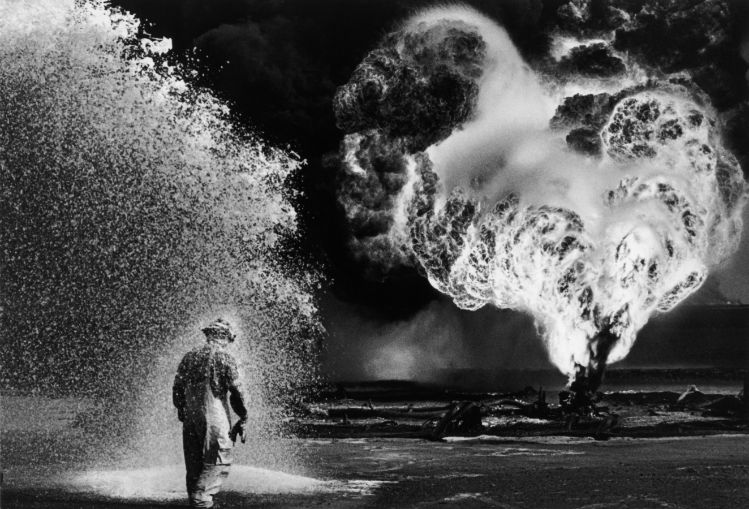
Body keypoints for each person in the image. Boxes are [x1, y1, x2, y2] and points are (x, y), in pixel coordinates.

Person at [173, 318, 248, 508]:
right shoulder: (224, 357)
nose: (230, 343)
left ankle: (197, 502)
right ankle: (202, 502)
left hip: (190, 419)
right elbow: (237, 392)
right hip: (215, 418)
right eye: (229, 339)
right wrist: (244, 416)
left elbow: (177, 389)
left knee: (195, 470)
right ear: (224, 337)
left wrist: (183, 411)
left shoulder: (189, 357)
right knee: (217, 463)